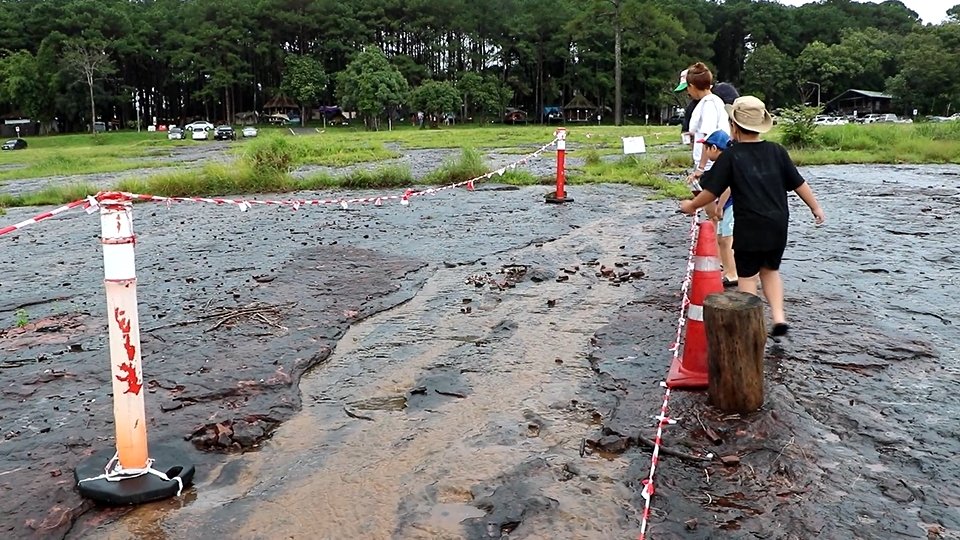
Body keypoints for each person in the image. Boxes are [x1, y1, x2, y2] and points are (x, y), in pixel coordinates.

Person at [679, 96, 826, 336]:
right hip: (778, 225)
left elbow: (710, 192)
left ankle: (750, 328)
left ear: (734, 127)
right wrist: (815, 208)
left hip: (749, 226)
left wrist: (691, 206)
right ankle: (779, 318)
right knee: (770, 270)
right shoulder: (777, 151)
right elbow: (799, 184)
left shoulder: (731, 156)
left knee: (747, 277)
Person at [696, 129, 738, 287]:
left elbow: (728, 187)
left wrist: (719, 207)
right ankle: (726, 270)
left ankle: (733, 273)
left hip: (732, 205)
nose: (705, 152)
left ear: (713, 148)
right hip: (728, 205)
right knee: (721, 239)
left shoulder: (726, 164)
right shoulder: (724, 163)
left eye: (706, 148)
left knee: (727, 240)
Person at [683, 62, 730, 181]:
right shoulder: (710, 101)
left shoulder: (709, 104)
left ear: (692, 86)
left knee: (707, 198)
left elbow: (708, 136)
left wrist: (701, 168)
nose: (688, 92)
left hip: (710, 164)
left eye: (687, 88)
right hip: (710, 162)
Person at [674, 69, 699, 145]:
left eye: (687, 88)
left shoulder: (722, 93)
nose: (688, 93)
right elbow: (685, 131)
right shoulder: (691, 108)